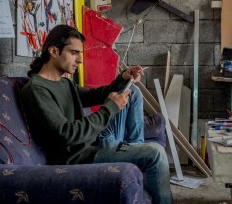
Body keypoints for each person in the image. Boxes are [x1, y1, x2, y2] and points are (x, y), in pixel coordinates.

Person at [21, 24, 173, 204]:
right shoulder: (37, 89)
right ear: (54, 51)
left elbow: (95, 95)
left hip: (96, 141)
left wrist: (123, 78)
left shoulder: (64, 83)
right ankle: (135, 157)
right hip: (80, 156)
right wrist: (110, 107)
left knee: (133, 94)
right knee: (156, 153)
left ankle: (133, 156)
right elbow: (66, 134)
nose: (80, 60)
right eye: (74, 53)